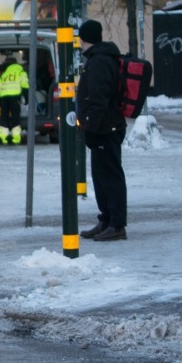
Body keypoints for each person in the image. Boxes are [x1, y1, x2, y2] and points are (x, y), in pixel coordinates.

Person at [76, 19, 129, 242]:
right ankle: (106, 219)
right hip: (105, 127)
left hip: (106, 128)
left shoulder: (99, 62)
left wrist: (91, 128)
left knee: (110, 176)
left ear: (84, 38)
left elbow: (99, 100)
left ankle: (117, 224)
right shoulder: (100, 59)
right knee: (101, 176)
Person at [0, 51, 29, 145]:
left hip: (4, 98)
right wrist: (27, 99)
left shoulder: (4, 75)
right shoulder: (21, 73)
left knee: (4, 117)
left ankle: (3, 138)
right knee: (15, 118)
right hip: (15, 98)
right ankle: (16, 138)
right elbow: (25, 86)